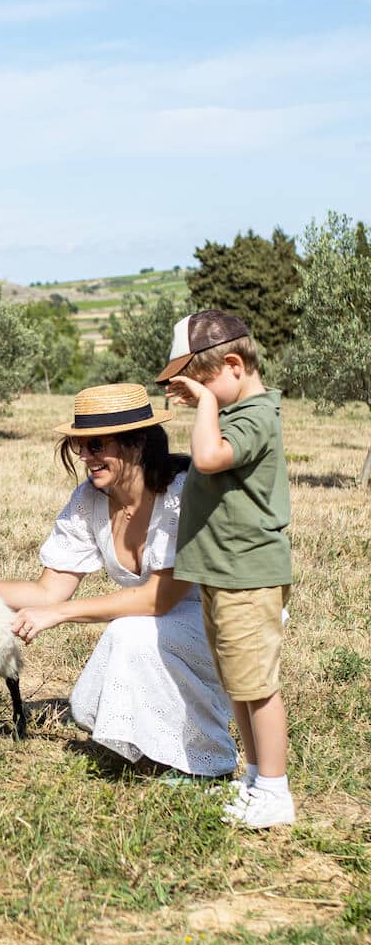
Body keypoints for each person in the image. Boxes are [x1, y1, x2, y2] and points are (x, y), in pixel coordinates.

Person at [0, 383, 237, 780]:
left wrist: (59, 615)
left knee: (129, 635)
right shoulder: (90, 500)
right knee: (105, 679)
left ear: (136, 443)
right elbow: (48, 590)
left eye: (96, 444)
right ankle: (160, 749)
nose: (85, 456)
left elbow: (160, 599)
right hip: (159, 623)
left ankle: (207, 762)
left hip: (227, 619)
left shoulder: (180, 494)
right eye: (78, 445)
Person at [157, 309, 294, 828]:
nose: (194, 394)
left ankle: (276, 793)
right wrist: (211, 400)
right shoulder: (236, 413)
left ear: (233, 365)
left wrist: (208, 404)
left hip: (248, 576)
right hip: (223, 574)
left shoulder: (255, 415)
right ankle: (256, 777)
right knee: (239, 683)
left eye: (201, 380)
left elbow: (211, 457)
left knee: (258, 687)